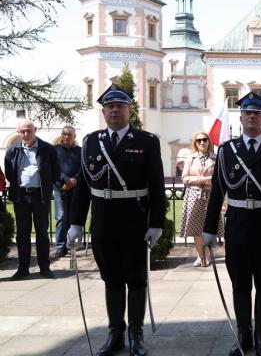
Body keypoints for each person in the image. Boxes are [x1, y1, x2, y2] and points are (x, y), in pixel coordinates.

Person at [68, 84, 166, 356]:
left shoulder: (146, 141)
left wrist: (156, 222)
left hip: (134, 222)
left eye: (120, 106)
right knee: (111, 280)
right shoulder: (91, 141)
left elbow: (157, 185)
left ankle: (136, 334)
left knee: (136, 281)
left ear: (129, 111)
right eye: (109, 107)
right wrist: (75, 222)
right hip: (103, 223)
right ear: (103, 112)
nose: (114, 111)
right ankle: (115, 333)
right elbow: (84, 184)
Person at [203, 92, 261, 356]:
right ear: (240, 117)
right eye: (247, 113)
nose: (252, 117)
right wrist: (209, 228)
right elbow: (217, 191)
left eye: (257, 113)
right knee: (240, 285)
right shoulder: (227, 151)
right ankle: (244, 334)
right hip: (237, 227)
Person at [4, 119, 59, 280]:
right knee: (22, 234)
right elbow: (9, 172)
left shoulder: (47, 149)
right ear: (18, 131)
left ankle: (44, 268)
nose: (26, 134)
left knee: (42, 233)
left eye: (29, 130)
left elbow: (55, 172)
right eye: (22, 131)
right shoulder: (12, 149)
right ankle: (23, 269)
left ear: (35, 129)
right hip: (21, 196)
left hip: (40, 196)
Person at [180, 131, 223, 267]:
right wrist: (203, 179)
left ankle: (208, 256)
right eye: (199, 140)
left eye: (205, 140)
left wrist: (205, 181)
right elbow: (185, 178)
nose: (202, 142)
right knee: (196, 227)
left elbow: (219, 178)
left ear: (209, 142)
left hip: (211, 195)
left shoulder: (216, 158)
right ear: (195, 143)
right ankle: (200, 256)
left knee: (210, 225)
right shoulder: (190, 158)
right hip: (194, 195)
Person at [53, 126, 82, 258]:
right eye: (64, 134)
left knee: (74, 217)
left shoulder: (81, 151)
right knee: (61, 217)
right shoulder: (55, 150)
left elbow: (83, 168)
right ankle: (60, 246)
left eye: (69, 134)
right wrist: (65, 180)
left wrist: (74, 181)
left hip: (76, 188)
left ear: (74, 136)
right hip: (60, 188)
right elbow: (53, 168)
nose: (66, 137)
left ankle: (72, 245)